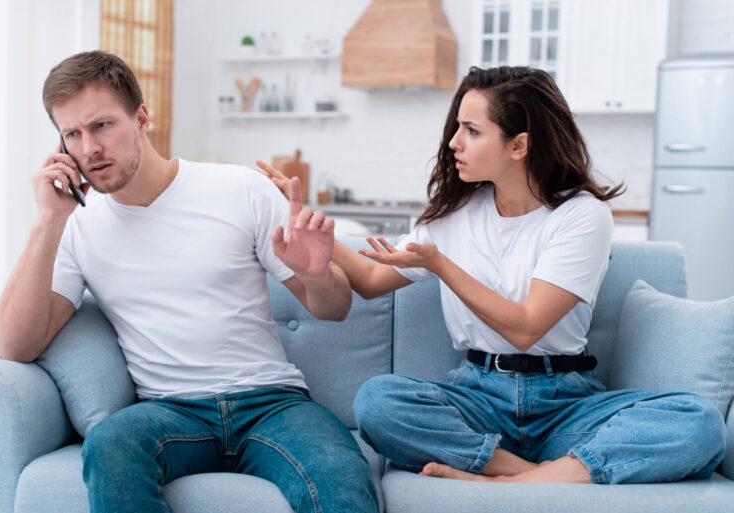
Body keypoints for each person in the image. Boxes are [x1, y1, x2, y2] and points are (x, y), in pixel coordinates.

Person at [259, 66, 726, 485]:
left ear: (519, 144)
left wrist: (441, 265)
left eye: (471, 130)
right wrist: (303, 217)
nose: (453, 143)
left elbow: (526, 328)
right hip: (478, 400)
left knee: (698, 420)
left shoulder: (580, 216)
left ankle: (513, 473)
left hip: (564, 404)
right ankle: (533, 475)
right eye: (457, 128)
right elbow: (368, 278)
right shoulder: (455, 214)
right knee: (378, 401)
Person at [0, 51, 378, 513]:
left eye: (101, 126)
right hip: (168, 412)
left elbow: (333, 307)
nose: (89, 148)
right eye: (72, 134)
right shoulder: (74, 225)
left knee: (340, 475)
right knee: (111, 444)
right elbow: (15, 347)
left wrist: (318, 276)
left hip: (272, 403)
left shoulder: (239, 189)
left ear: (141, 118)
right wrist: (47, 221)